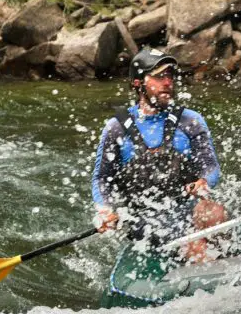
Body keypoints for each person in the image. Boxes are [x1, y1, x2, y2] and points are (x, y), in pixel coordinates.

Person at [92, 48, 227, 263]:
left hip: (184, 208)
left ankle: (226, 260)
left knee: (214, 212)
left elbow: (210, 167)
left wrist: (203, 182)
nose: (167, 82)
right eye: (158, 76)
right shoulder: (117, 128)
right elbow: (101, 179)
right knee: (194, 243)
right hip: (142, 218)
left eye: (170, 76)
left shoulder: (190, 121)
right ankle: (207, 272)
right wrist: (105, 211)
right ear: (138, 83)